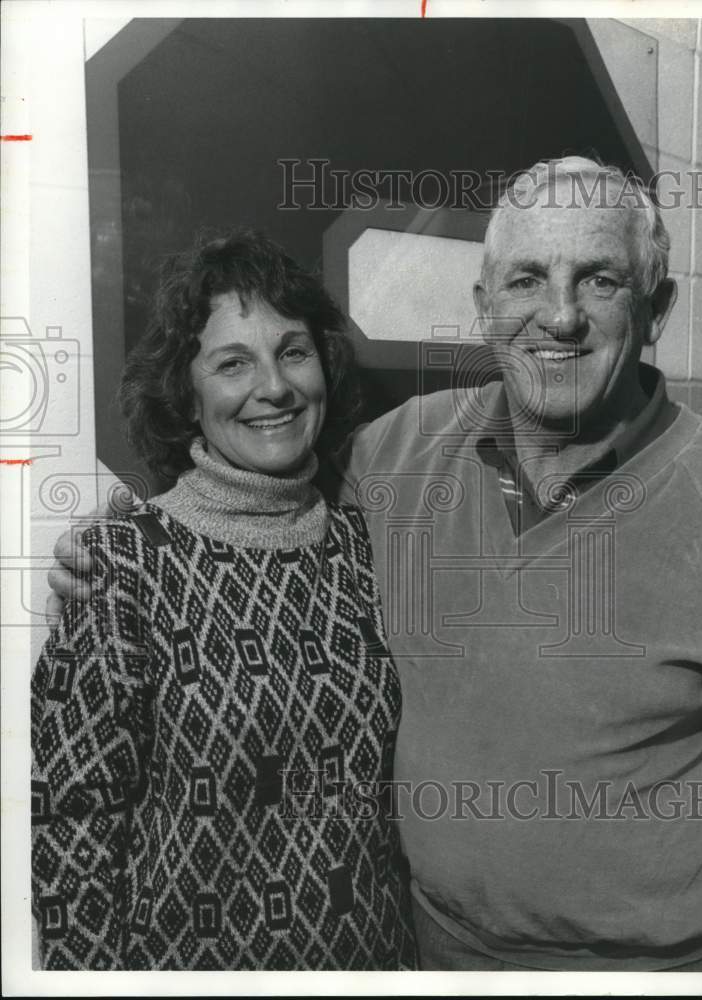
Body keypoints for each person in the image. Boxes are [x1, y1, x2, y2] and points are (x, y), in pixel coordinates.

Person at [47, 158, 702, 972]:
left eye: (600, 279)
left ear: (656, 307)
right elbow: (257, 493)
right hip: (426, 956)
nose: (559, 316)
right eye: (527, 279)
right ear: (486, 309)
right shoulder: (397, 453)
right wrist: (121, 534)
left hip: (663, 975)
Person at [32, 230, 416, 970]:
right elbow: (72, 843)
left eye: (293, 352)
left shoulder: (368, 552)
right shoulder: (121, 567)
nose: (273, 387)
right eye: (232, 362)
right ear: (188, 389)